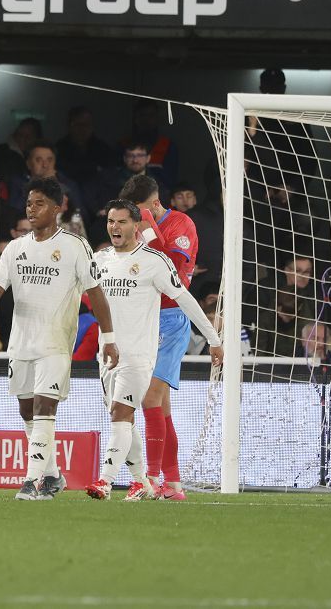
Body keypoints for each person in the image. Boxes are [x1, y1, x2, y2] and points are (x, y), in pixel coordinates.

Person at [0, 176, 119, 501]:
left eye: (39, 203)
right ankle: (52, 475)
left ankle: (32, 481)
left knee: (44, 407)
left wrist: (108, 337)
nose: (32, 209)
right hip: (21, 342)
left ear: (57, 207)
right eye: (29, 203)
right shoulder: (16, 248)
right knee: (27, 410)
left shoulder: (74, 246)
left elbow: (95, 294)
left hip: (55, 343)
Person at [85, 200, 222, 501]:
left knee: (122, 413)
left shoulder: (154, 261)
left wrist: (212, 337)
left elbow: (184, 298)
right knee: (123, 418)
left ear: (137, 226)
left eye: (122, 222)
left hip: (138, 355)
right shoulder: (99, 260)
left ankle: (104, 481)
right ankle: (140, 481)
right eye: (111, 222)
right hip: (107, 354)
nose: (115, 228)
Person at [118, 173, 201, 500]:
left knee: (150, 398)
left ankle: (149, 481)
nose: (136, 220)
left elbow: (173, 274)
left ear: (153, 205)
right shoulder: (139, 228)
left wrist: (150, 228)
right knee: (160, 407)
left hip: (171, 320)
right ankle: (174, 484)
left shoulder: (181, 224)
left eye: (140, 212)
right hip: (144, 319)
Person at [6, 144, 86, 217]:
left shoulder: (69, 185)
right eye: (39, 160)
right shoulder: (18, 183)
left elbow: (82, 216)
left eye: (49, 160)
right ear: (28, 164)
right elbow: (14, 214)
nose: (45, 165)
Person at [54, 106, 116, 184]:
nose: (82, 129)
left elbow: (108, 175)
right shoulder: (60, 148)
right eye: (78, 124)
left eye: (86, 124)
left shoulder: (103, 149)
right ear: (69, 126)